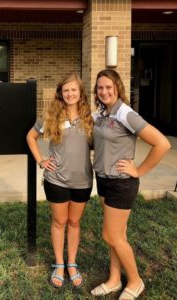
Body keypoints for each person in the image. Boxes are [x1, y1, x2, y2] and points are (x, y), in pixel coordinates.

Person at [90, 69, 171, 299]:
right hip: (104, 180)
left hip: (121, 183)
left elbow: (162, 144)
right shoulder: (102, 113)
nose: (104, 91)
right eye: (100, 87)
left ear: (117, 88)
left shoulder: (126, 113)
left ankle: (135, 281)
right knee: (118, 235)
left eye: (108, 87)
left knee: (111, 235)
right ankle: (115, 280)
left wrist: (139, 170)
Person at [26, 74, 94, 288]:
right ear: (60, 93)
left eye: (74, 90)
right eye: (66, 90)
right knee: (59, 222)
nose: (70, 94)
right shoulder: (51, 116)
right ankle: (59, 264)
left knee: (74, 222)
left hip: (82, 180)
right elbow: (30, 136)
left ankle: (72, 263)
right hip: (56, 179)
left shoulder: (90, 117)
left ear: (80, 92)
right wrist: (41, 161)